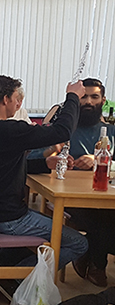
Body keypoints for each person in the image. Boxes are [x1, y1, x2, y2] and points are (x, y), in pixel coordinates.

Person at [0, 75, 88, 270]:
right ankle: (21, 278)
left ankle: (8, 268)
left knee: (47, 225)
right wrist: (72, 96)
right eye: (16, 98)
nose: (18, 103)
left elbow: (0, 167)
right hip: (9, 219)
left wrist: (45, 163)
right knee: (79, 243)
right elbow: (61, 132)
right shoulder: (9, 130)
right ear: (6, 99)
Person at [31, 78, 115, 287]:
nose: (88, 102)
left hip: (106, 193)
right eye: (83, 97)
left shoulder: (110, 133)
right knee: (101, 216)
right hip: (71, 197)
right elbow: (31, 158)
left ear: (103, 100)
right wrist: (54, 151)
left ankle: (90, 256)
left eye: (94, 97)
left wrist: (98, 159)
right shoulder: (62, 130)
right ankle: (96, 264)